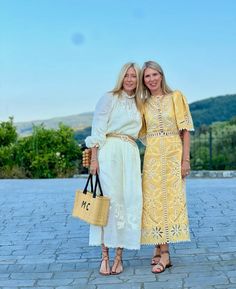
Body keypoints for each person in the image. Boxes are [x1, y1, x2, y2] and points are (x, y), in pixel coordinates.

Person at [85, 62, 143, 275]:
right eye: (127, 75)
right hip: (109, 152)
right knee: (108, 202)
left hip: (130, 154)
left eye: (134, 76)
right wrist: (94, 160)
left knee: (128, 201)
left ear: (138, 80)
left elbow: (145, 134)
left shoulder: (140, 103)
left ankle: (119, 257)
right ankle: (105, 257)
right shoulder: (108, 97)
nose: (130, 79)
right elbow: (97, 130)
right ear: (121, 77)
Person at [139, 60, 194, 274]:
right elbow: (138, 131)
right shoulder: (143, 104)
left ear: (161, 75)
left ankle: (165, 255)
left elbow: (186, 130)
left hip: (173, 155)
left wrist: (185, 160)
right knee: (153, 202)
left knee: (170, 200)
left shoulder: (176, 97)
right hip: (152, 156)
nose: (151, 79)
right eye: (147, 76)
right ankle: (158, 245)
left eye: (154, 75)